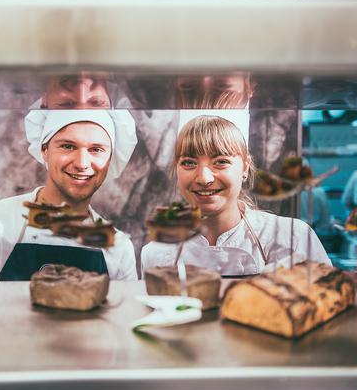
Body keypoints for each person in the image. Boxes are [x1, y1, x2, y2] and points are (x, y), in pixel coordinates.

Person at [0, 109, 138, 282]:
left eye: (96, 149)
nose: (82, 163)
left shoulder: (119, 248)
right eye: (68, 146)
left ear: (110, 159)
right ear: (44, 150)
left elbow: (123, 318)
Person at [141, 114, 331, 276]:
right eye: (189, 163)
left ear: (245, 168)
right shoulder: (156, 253)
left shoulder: (294, 237)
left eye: (221, 161)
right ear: (176, 169)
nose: (204, 178)